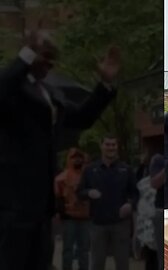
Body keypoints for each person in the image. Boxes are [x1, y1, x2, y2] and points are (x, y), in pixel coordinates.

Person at [0, 27, 120, 270]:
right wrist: (27, 54)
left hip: (42, 209)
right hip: (13, 205)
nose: (49, 65)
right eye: (45, 57)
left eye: (52, 60)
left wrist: (105, 85)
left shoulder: (50, 94)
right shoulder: (12, 90)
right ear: (30, 54)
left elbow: (82, 118)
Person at [77, 135, 137, 270]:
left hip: (120, 224)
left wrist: (130, 204)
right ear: (101, 146)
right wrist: (88, 193)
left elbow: (136, 194)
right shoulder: (90, 170)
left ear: (117, 147)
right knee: (97, 263)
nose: (111, 148)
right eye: (107, 145)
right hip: (98, 224)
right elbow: (79, 192)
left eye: (113, 145)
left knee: (122, 264)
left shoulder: (125, 169)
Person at [54, 148, 90, 270]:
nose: (77, 159)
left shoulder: (88, 175)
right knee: (68, 250)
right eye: (74, 157)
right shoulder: (61, 178)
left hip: (85, 217)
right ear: (69, 159)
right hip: (69, 218)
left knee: (84, 250)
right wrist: (60, 214)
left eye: (79, 157)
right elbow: (57, 197)